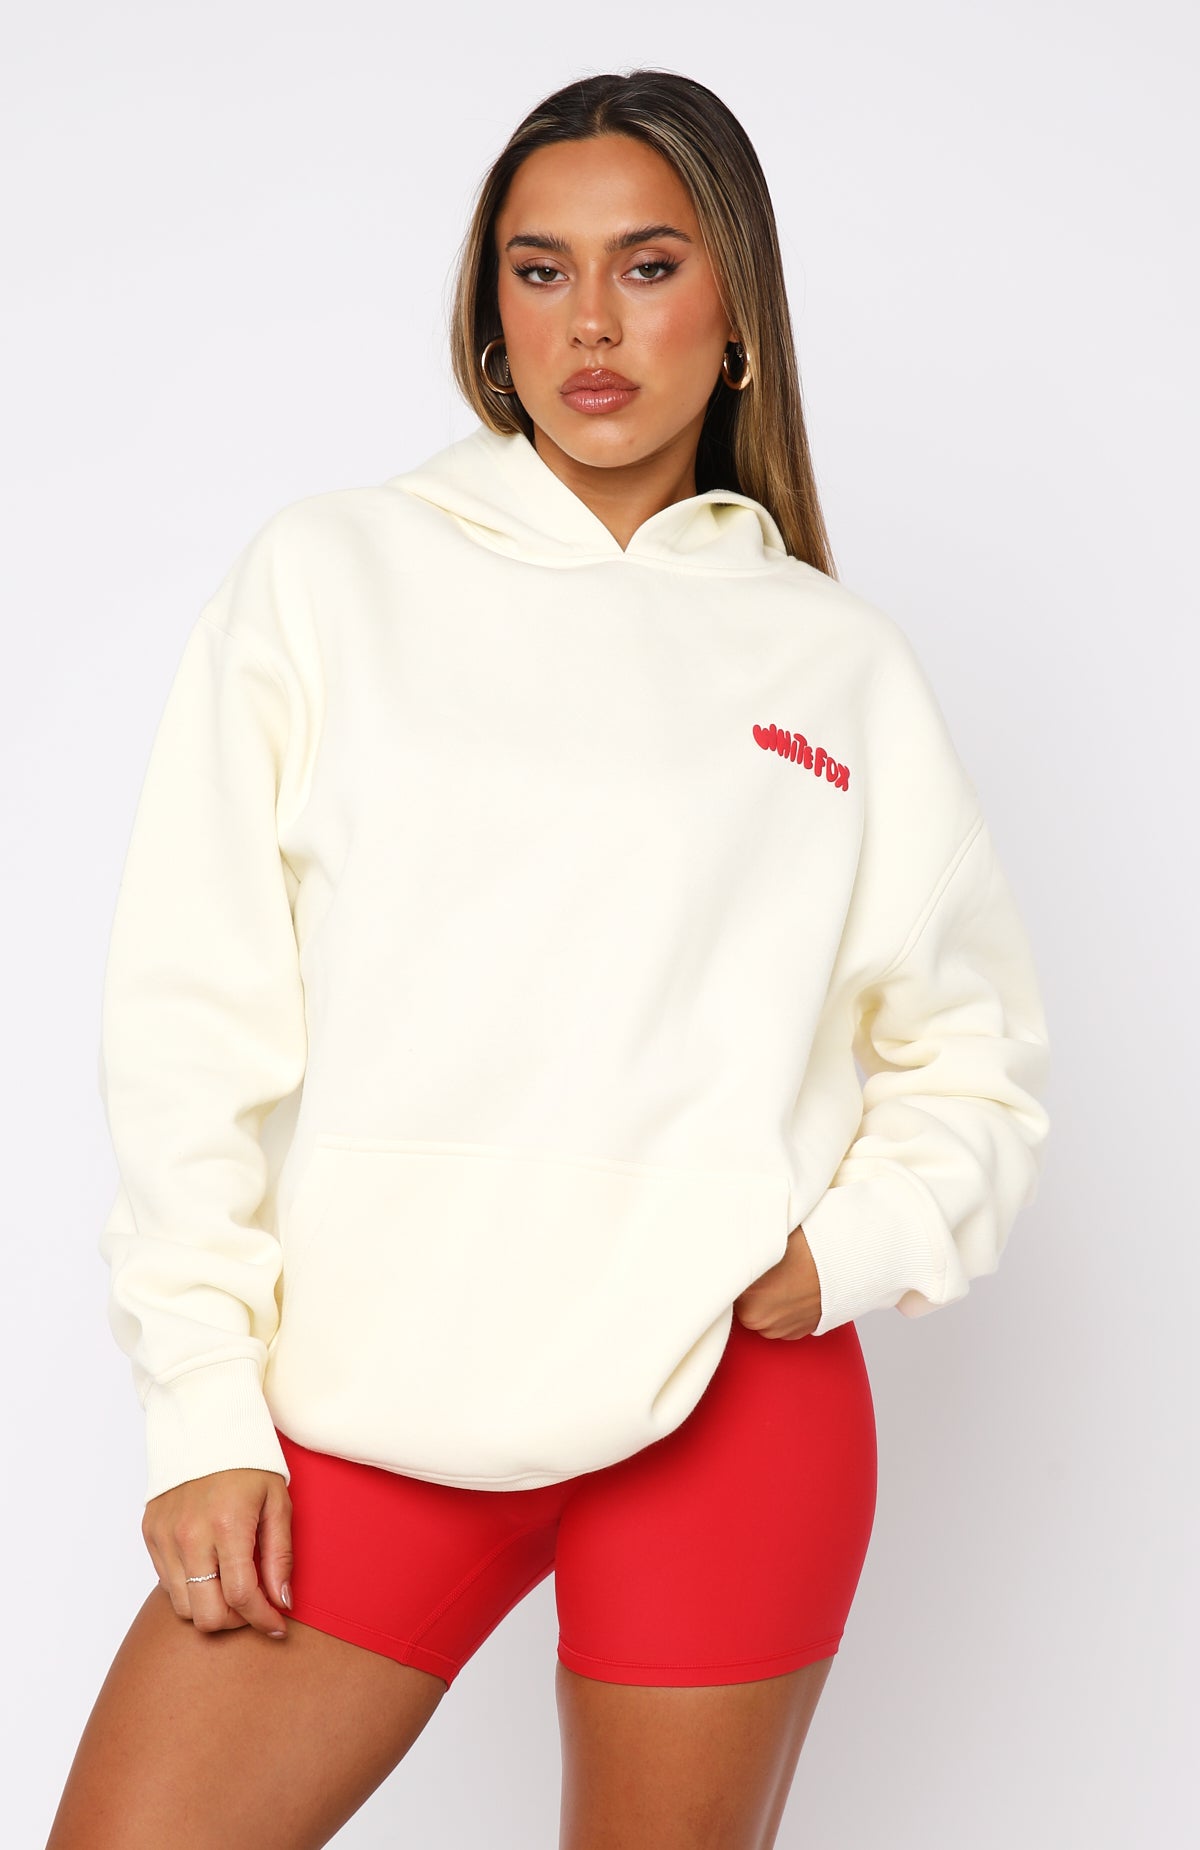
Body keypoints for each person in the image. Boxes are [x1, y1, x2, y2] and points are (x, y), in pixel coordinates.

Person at [47, 68, 1052, 1850]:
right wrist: (204, 1403)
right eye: (540, 268)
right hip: (372, 1402)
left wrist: (843, 1253)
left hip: (729, 1410)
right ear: (488, 311)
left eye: (648, 265)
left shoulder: (834, 663)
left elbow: (971, 1049)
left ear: (738, 317)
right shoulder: (333, 576)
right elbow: (193, 1020)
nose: (591, 320)